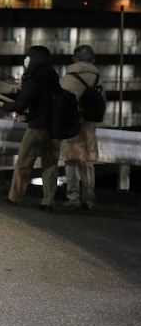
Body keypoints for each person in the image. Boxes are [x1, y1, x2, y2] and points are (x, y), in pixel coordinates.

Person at [0, 45, 61, 211]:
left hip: (37, 126)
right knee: (50, 165)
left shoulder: (33, 78)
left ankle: (15, 197)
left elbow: (21, 104)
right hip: (54, 127)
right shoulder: (53, 76)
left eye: (29, 56)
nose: (26, 59)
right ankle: (48, 201)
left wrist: (3, 105)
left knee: (24, 162)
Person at [58, 44, 102, 210]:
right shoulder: (98, 77)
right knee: (87, 163)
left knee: (70, 161)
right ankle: (89, 199)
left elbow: (61, 100)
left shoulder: (70, 76)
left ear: (75, 59)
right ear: (92, 59)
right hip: (90, 125)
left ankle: (73, 197)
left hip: (72, 123)